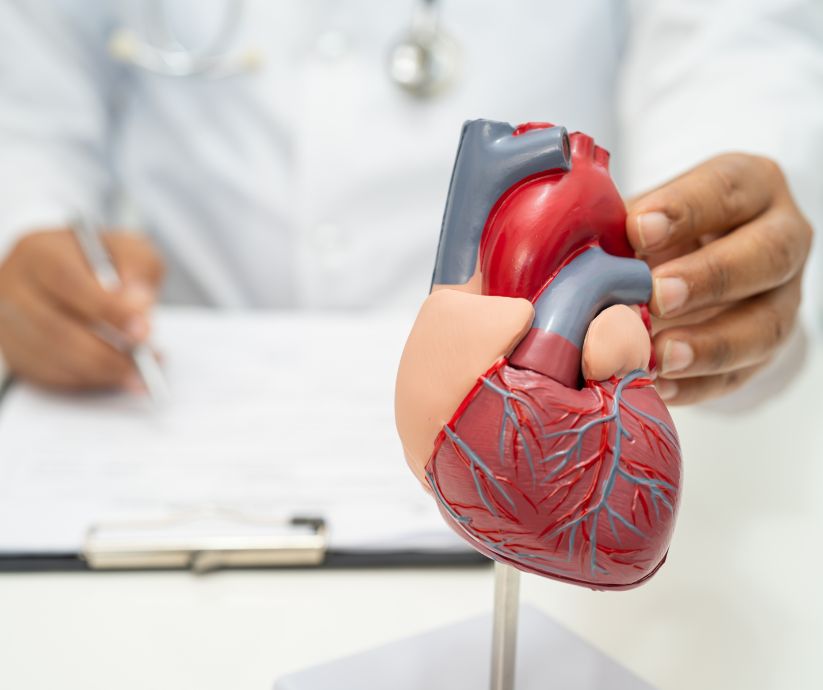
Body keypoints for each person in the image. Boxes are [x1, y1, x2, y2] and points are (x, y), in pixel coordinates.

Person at [0, 0, 819, 404]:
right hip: (185, 391)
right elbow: (26, 87)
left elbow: (730, 42)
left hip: (555, 393)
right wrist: (24, 228)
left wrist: (713, 240)